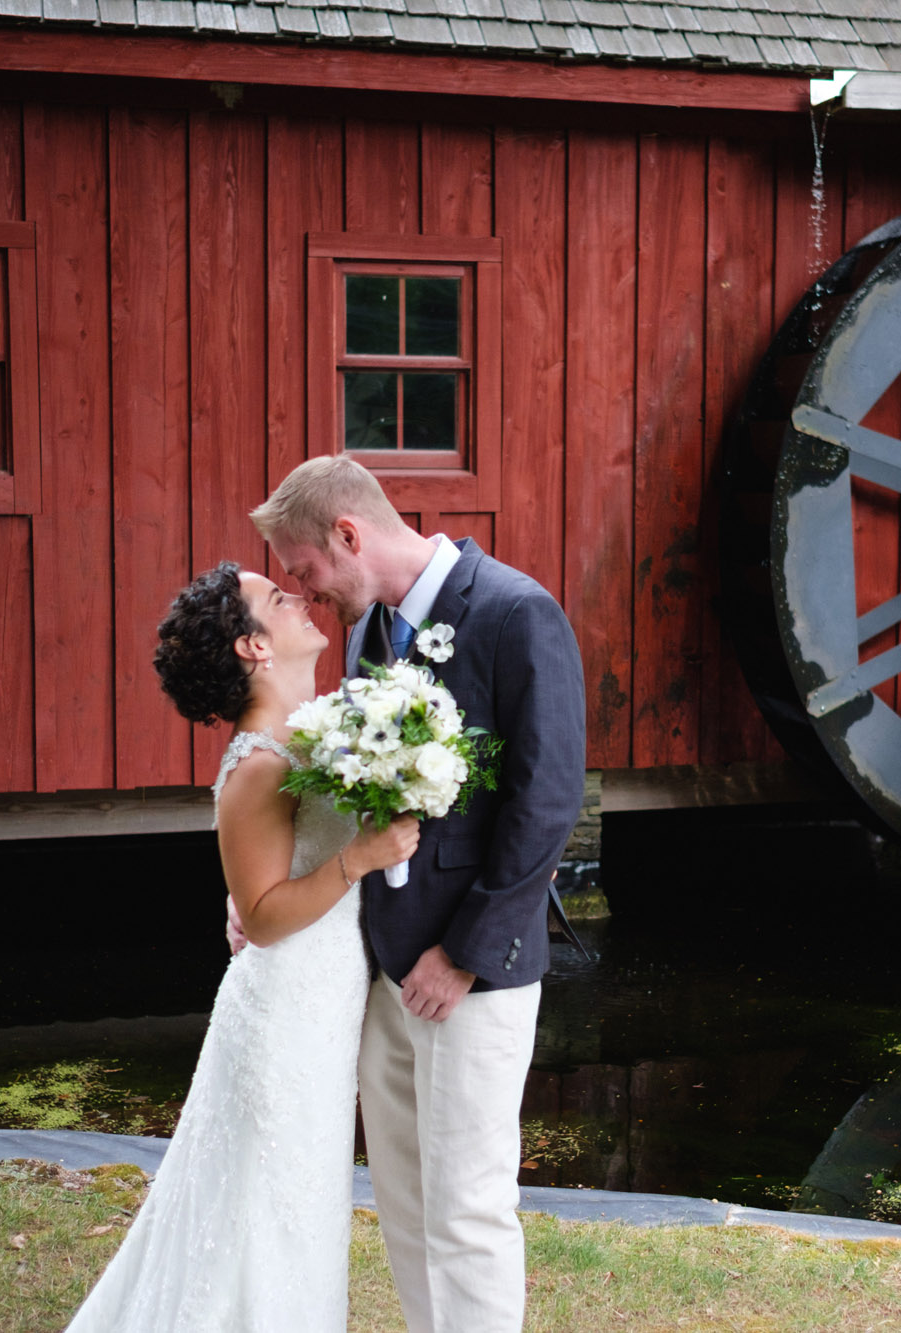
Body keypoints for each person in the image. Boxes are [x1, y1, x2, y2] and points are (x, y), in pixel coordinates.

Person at [252, 456, 586, 1333]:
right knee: (401, 1194)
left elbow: (546, 802)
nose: (306, 592)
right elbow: (353, 792)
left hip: (469, 973)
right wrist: (272, 885)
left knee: (468, 1204)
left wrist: (465, 955)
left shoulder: (517, 612)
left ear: (349, 535)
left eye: (306, 570)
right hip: (382, 964)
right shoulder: (369, 630)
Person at [64, 561, 419, 1333]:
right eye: (277, 599)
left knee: (301, 1196)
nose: (300, 599)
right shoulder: (256, 765)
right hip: (285, 1014)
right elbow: (260, 916)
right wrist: (359, 856)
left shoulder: (312, 729)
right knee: (269, 1202)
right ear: (253, 646)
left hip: (322, 1005)